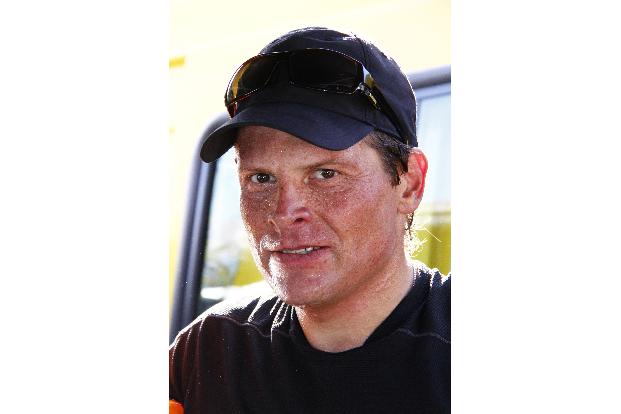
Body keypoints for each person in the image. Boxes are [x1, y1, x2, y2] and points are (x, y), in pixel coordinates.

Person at [169, 27, 450, 413]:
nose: (284, 213)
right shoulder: (207, 352)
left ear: (409, 184)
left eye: (325, 174)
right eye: (261, 178)